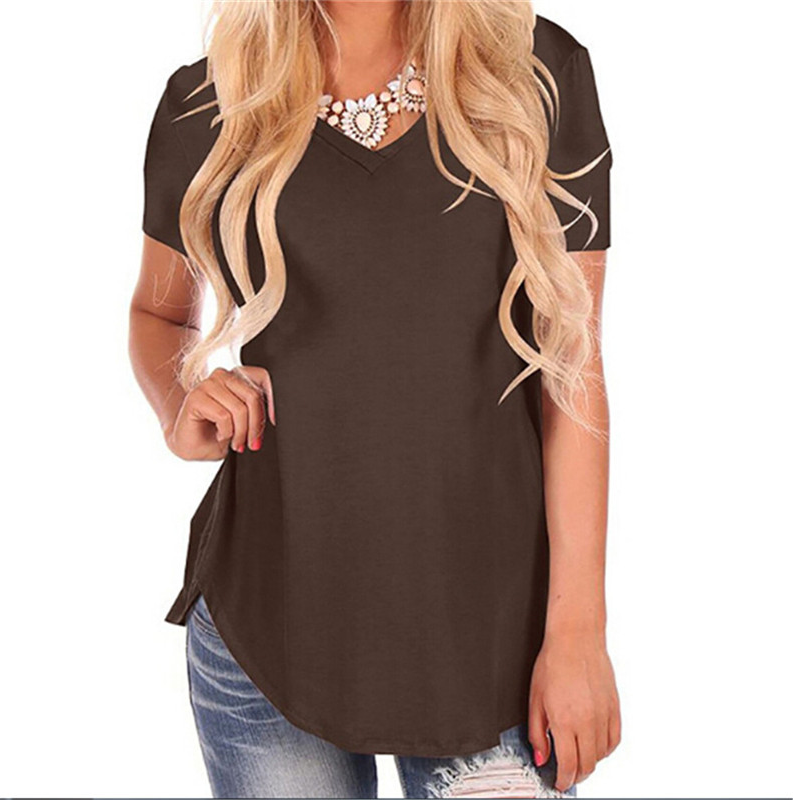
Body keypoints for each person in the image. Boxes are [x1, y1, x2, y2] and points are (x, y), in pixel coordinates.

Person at [129, 1, 621, 797]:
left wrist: (578, 633)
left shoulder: (532, 71)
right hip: (270, 638)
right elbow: (157, 316)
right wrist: (179, 403)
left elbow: (573, 367)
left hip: (492, 650)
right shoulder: (212, 99)